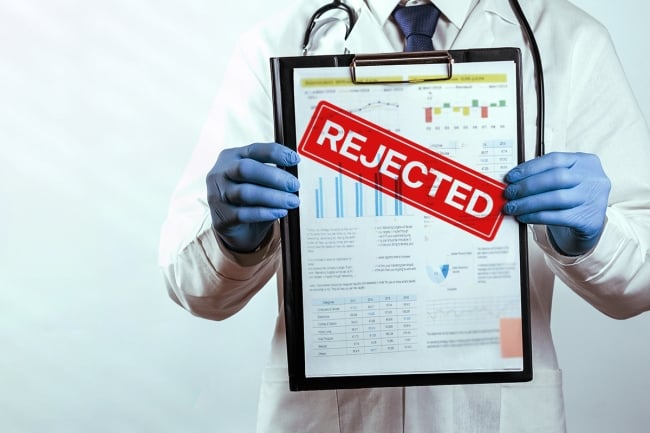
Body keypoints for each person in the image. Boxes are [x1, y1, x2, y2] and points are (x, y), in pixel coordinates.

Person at [158, 0, 650, 431]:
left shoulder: (569, 42)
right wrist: (234, 242)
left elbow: (643, 277)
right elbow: (191, 284)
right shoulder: (279, 43)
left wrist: (593, 241)